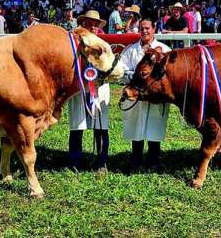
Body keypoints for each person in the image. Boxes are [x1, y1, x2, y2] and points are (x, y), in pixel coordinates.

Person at [120, 18, 171, 171]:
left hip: (156, 97)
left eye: (148, 28)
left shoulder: (164, 49)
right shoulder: (131, 50)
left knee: (155, 125)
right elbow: (122, 70)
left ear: (154, 28)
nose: (145, 31)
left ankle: (153, 161)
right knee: (136, 125)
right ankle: (136, 160)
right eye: (142, 28)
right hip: (136, 96)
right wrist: (136, 78)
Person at [67, 10, 110, 172]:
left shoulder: (104, 44)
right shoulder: (73, 42)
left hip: (99, 88)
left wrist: (102, 74)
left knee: (101, 126)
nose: (93, 26)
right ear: (83, 23)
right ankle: (75, 161)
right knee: (77, 126)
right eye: (89, 22)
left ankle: (101, 162)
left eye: (95, 23)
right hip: (77, 87)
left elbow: (110, 66)